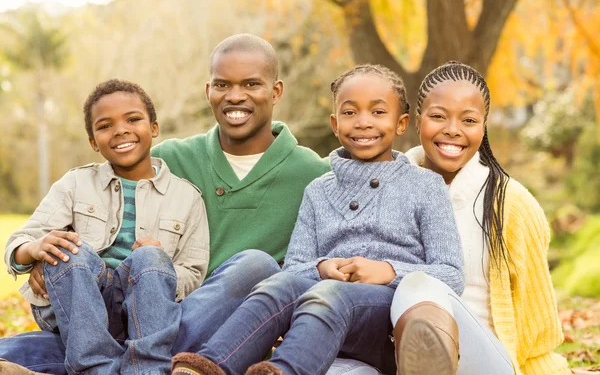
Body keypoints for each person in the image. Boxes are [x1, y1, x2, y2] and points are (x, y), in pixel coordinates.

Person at [0, 34, 330, 374]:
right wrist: (42, 255)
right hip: (119, 309)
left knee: (256, 267)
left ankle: (133, 362)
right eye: (222, 85)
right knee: (106, 319)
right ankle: (141, 365)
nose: (235, 96)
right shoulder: (167, 158)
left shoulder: (315, 174)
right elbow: (90, 205)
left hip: (203, 314)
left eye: (251, 84)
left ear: (275, 92)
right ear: (208, 91)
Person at [171, 64, 465, 375]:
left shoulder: (425, 186)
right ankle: (209, 367)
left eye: (378, 113)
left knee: (329, 294)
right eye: (350, 113)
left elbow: (451, 274)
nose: (363, 123)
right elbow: (296, 264)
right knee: (278, 285)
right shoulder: (319, 190)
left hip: (383, 319)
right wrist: (322, 267)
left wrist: (387, 271)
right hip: (319, 316)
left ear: (401, 123)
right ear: (335, 125)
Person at [3, 79, 210, 374]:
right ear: (93, 142)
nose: (120, 130)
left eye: (133, 119)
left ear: (154, 128)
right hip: (77, 308)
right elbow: (18, 243)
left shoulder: (187, 197)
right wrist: (35, 248)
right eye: (105, 126)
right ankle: (95, 368)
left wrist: (160, 265)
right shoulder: (76, 183)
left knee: (150, 257)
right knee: (69, 249)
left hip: (145, 311)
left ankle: (147, 369)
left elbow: (194, 273)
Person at [390, 61, 568, 375]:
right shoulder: (386, 189)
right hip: (391, 357)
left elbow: (537, 330)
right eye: (438, 116)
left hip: (484, 362)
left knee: (418, 284)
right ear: (417, 121)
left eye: (468, 120)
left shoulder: (510, 204)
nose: (452, 129)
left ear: (483, 127)